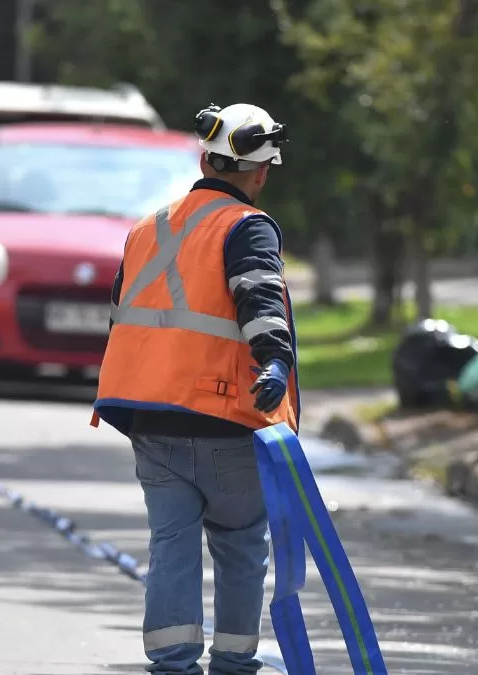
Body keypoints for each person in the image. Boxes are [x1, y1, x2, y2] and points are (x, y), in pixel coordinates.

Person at [91, 103, 299, 675]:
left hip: (149, 419)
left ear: (205, 158)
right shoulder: (246, 226)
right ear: (260, 172)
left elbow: (121, 317)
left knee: (171, 546)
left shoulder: (147, 227)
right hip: (224, 416)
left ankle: (171, 664)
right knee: (238, 546)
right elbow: (258, 296)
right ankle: (233, 664)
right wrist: (274, 362)